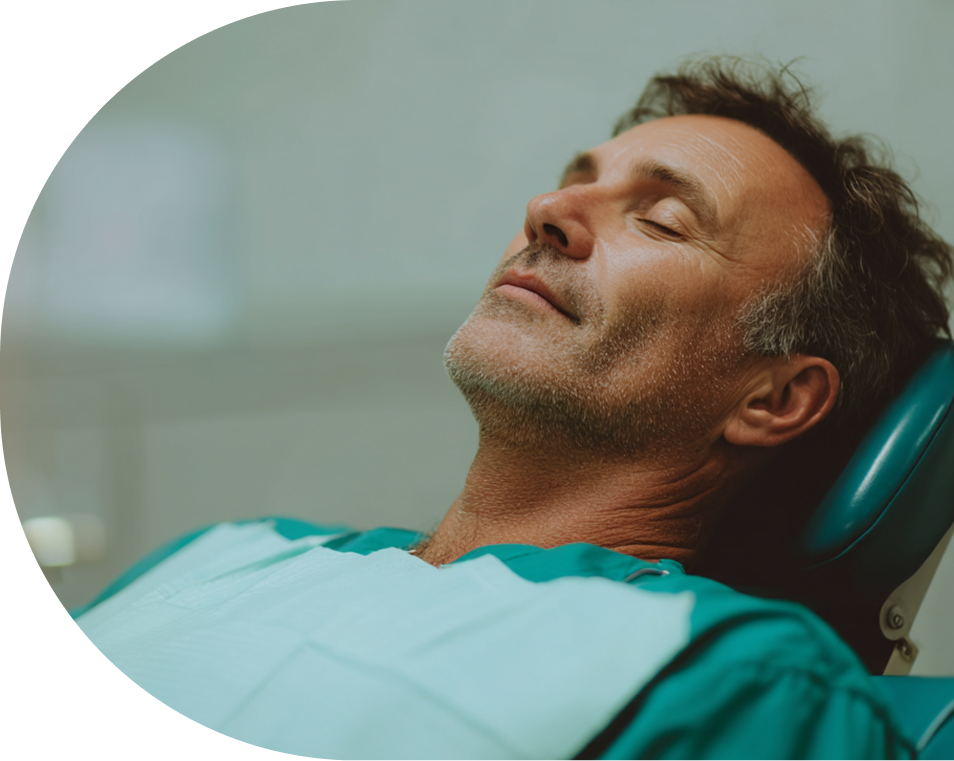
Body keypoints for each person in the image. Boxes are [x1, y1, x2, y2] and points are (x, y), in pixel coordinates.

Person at [74, 58, 952, 759]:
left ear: (774, 398)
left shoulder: (737, 678)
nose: (547, 210)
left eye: (662, 219)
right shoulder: (223, 552)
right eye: (574, 181)